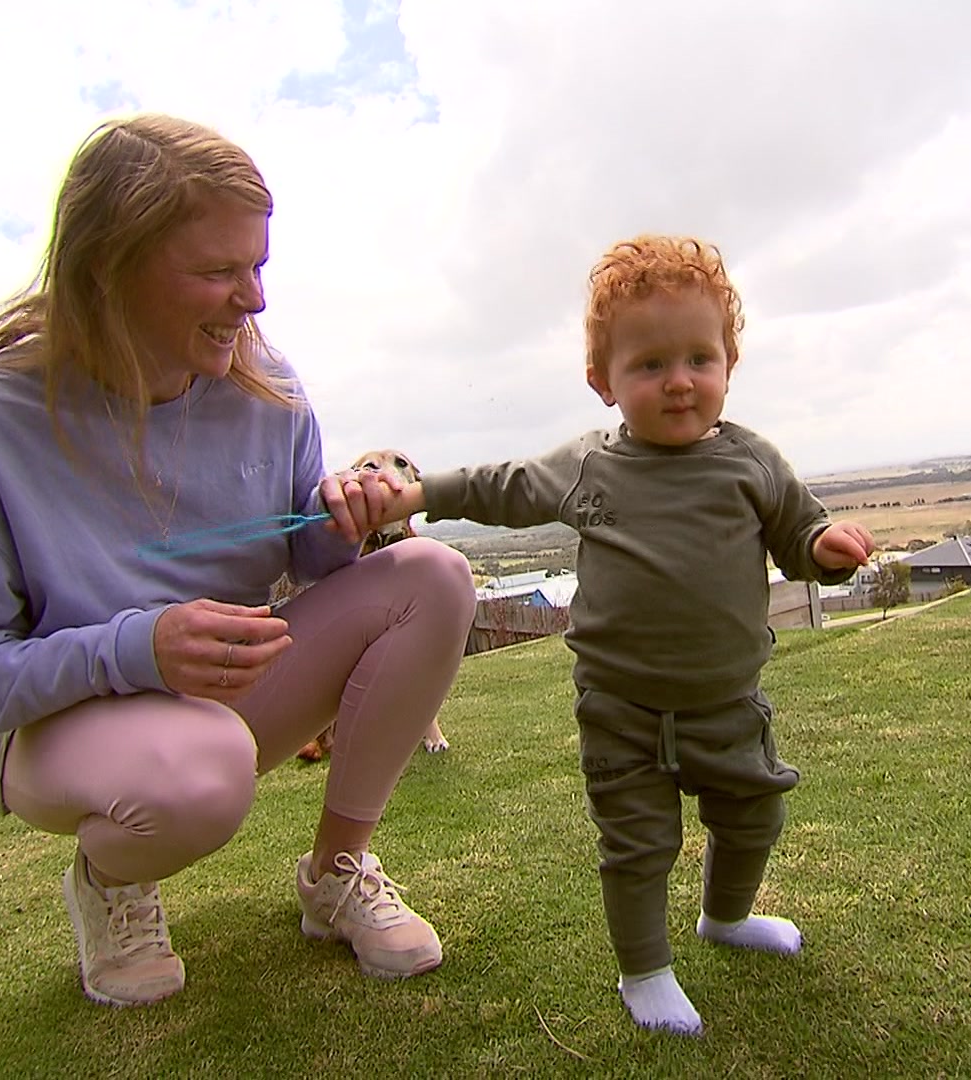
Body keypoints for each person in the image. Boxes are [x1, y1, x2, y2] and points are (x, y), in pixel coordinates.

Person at [0, 114, 476, 1007]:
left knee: (434, 575)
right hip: (57, 727)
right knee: (203, 768)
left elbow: (307, 558)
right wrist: (137, 648)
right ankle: (110, 881)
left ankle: (337, 873)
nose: (254, 300)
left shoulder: (268, 386)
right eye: (217, 272)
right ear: (106, 270)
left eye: (258, 267)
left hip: (219, 702)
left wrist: (341, 524)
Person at [363, 235, 876, 1035]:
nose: (679, 381)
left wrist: (827, 550)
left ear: (730, 362)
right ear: (603, 380)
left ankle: (726, 917)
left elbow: (799, 534)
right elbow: (502, 487)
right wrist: (418, 493)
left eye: (700, 358)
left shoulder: (754, 463)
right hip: (621, 709)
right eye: (649, 364)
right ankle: (645, 972)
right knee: (637, 845)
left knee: (754, 817)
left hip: (729, 702)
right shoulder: (589, 466)